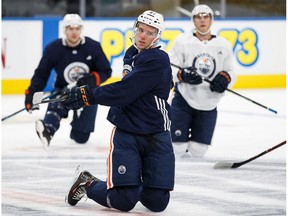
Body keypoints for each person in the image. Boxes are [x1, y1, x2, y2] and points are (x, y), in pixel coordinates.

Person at [62, 10, 175, 212]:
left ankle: (131, 182)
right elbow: (134, 86)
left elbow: (125, 90)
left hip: (156, 132)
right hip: (127, 131)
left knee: (157, 202)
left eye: (149, 33)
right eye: (140, 30)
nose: (142, 36)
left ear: (158, 36)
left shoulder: (158, 59)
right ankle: (87, 183)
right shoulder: (132, 53)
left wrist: (88, 95)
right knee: (124, 200)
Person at [24, 14, 112, 148]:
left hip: (86, 93)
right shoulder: (53, 49)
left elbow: (106, 71)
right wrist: (31, 93)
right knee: (56, 104)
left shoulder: (93, 47)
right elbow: (42, 73)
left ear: (81, 29)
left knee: (81, 138)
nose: (74, 32)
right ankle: (47, 131)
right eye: (70, 28)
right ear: (64, 30)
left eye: (77, 28)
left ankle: (77, 127)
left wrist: (92, 79)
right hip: (63, 90)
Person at [169, 4, 236, 158]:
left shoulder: (223, 45)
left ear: (211, 20)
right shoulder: (182, 41)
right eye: (198, 17)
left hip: (209, 102)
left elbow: (231, 71)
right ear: (193, 20)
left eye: (206, 16)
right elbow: (169, 68)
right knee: (176, 148)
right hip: (184, 99)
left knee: (199, 151)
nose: (202, 20)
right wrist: (182, 75)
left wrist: (225, 78)